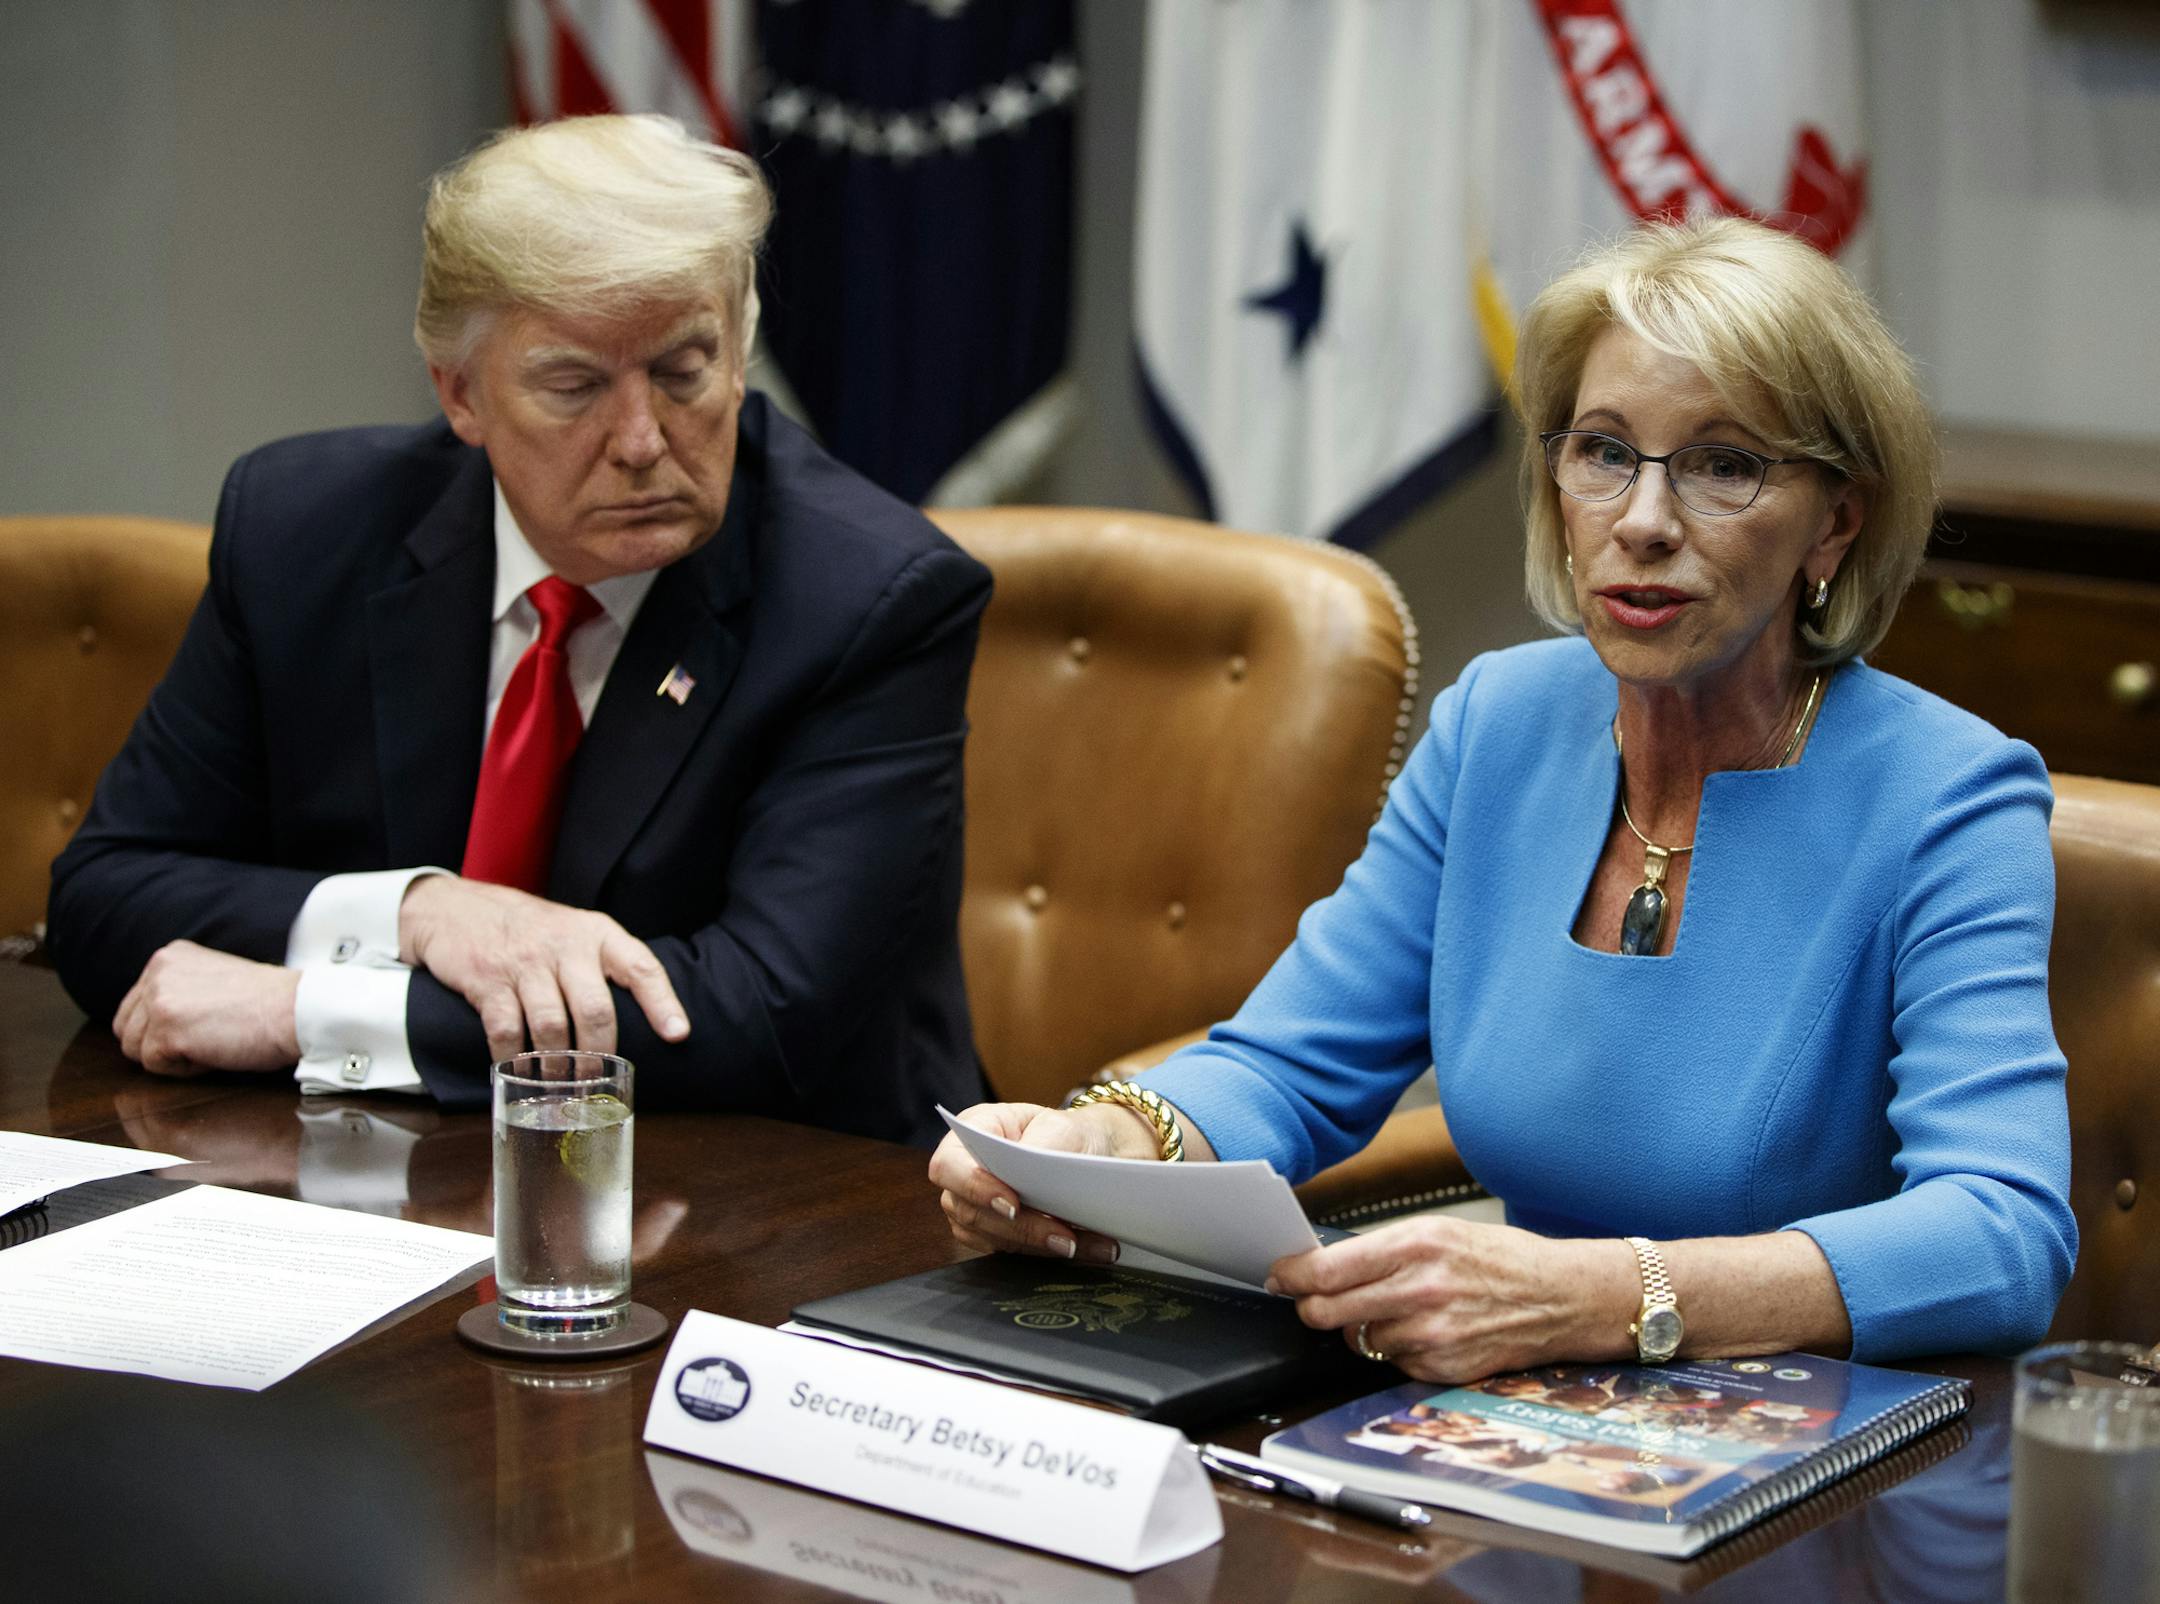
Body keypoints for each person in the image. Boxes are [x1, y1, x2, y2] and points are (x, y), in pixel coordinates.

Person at [930, 216, 2075, 1372]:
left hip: (1810, 1460)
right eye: (1604, 451)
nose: (1642, 520)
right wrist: (1099, 1144)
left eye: (1726, 465)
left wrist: (1613, 1294)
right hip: (1500, 1424)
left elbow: (2003, 1231)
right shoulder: (1498, 726)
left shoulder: (1950, 800)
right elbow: (1289, 1062)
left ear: (1837, 519)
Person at [47, 115, 991, 1147]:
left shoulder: (870, 597)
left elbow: (762, 1013)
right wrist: (419, 911)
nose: (641, 441)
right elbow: (105, 893)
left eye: (683, 370)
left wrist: (309, 1011)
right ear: (460, 392)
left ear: (740, 343)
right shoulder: (303, 528)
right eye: (575, 385)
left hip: (776, 1197)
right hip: (376, 1180)